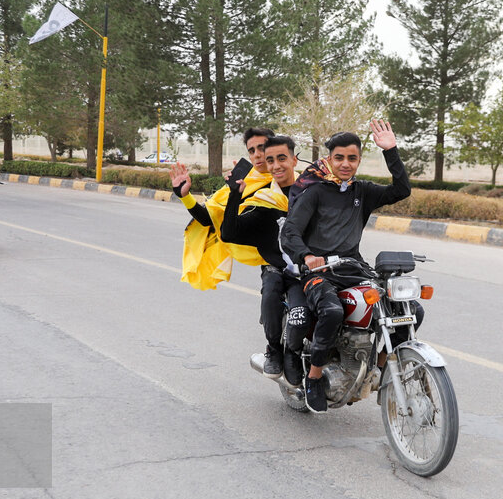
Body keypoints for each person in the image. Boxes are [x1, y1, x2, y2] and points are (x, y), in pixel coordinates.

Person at [280, 120, 412, 413]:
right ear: (329, 159)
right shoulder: (315, 192)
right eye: (339, 157)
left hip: (352, 268)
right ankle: (314, 377)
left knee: (409, 310)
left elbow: (401, 190)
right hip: (318, 272)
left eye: (352, 158)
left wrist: (391, 151)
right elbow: (290, 233)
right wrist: (306, 257)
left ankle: (380, 368)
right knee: (331, 311)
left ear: (359, 160)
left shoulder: (362, 191)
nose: (345, 163)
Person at [219, 135, 311, 384]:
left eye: (281, 158)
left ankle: (295, 352)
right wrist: (234, 195)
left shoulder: (312, 192)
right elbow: (229, 233)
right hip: (276, 268)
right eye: (270, 160)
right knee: (270, 294)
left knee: (305, 311)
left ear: (294, 160)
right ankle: (274, 349)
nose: (276, 165)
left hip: (309, 269)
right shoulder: (264, 199)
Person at [168, 127, 274, 290]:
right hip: (273, 265)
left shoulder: (294, 181)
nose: (257, 155)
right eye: (251, 151)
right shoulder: (245, 183)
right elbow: (208, 219)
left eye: (262, 148)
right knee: (271, 311)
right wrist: (185, 196)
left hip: (305, 262)